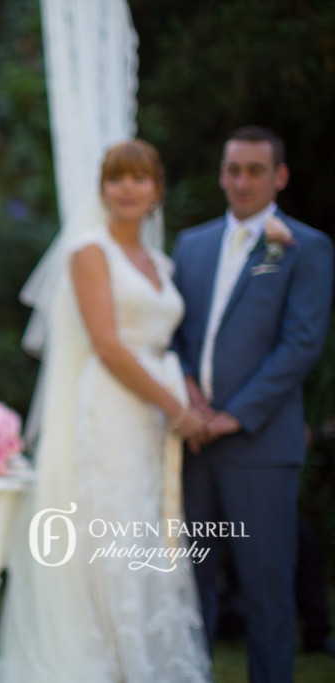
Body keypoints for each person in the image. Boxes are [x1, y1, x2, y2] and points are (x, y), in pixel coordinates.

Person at [3, 139, 212, 682]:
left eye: (139, 178)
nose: (127, 189)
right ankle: (109, 657)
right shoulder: (90, 252)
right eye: (117, 178)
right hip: (115, 404)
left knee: (150, 521)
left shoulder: (163, 264)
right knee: (113, 521)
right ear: (102, 190)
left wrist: (183, 397)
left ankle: (148, 652)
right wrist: (176, 407)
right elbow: (109, 344)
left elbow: (167, 342)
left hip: (154, 411)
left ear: (157, 192)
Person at [171, 125, 333, 683]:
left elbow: (301, 343)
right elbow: (175, 335)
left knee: (266, 588)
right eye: (233, 169)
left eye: (255, 170)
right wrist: (190, 397)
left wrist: (233, 416)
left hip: (260, 446)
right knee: (190, 584)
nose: (241, 181)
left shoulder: (306, 247)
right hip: (192, 443)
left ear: (279, 177)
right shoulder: (190, 245)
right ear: (221, 173)